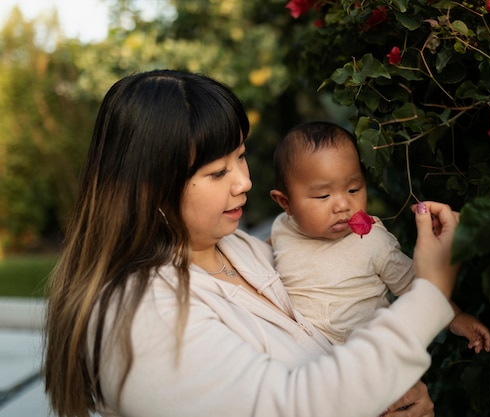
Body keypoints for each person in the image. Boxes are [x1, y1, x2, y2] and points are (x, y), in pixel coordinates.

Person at [44, 69, 460, 417]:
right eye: (216, 172)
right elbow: (287, 406)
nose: (245, 182)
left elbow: (328, 365)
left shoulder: (248, 248)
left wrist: (390, 396)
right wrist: (429, 293)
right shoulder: (138, 314)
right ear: (149, 187)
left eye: (240, 156)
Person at [270, 121, 490, 350]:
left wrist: (455, 318)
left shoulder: (374, 242)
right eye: (323, 196)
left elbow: (415, 284)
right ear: (286, 203)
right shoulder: (282, 229)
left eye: (353, 190)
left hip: (365, 355)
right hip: (302, 357)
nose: (343, 205)